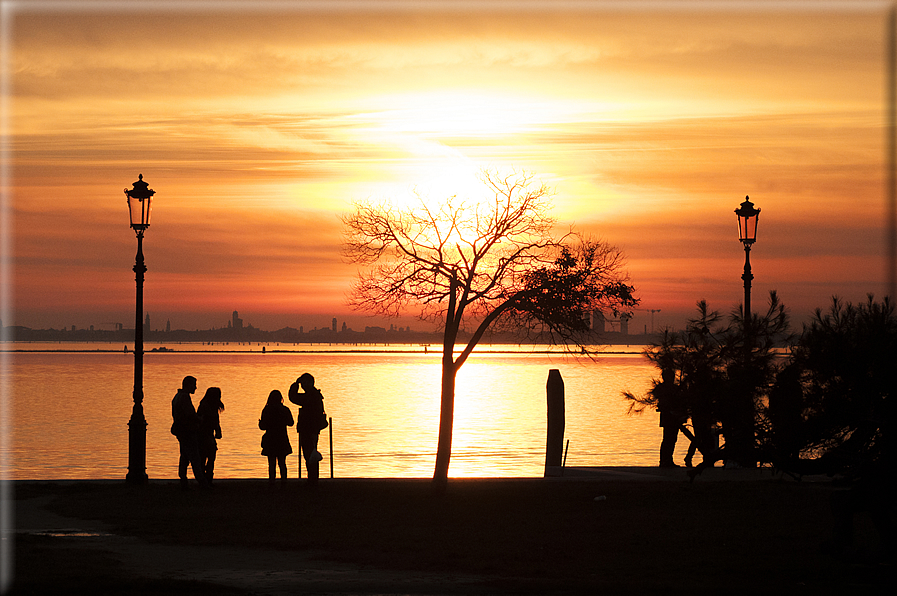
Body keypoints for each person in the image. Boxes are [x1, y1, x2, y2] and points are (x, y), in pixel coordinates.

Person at [288, 372, 327, 485]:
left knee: (310, 455)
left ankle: (312, 480)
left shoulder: (311, 396)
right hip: (311, 430)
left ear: (309, 383)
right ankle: (312, 479)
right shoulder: (314, 395)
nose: (303, 386)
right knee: (310, 455)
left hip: (309, 430)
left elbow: (293, 397)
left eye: (304, 383)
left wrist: (295, 384)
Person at [171, 375, 206, 489]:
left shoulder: (177, 397)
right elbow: (190, 414)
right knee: (195, 456)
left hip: (181, 431)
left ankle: (183, 480)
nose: (195, 388)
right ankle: (201, 482)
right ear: (188, 385)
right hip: (187, 431)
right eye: (194, 385)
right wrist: (199, 419)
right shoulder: (184, 397)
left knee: (184, 456)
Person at [259, 389, 294, 487]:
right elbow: (291, 423)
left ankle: (272, 482)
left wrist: (260, 422)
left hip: (270, 438)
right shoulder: (285, 409)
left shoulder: (266, 410)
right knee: (282, 462)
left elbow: (263, 426)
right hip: (282, 438)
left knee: (271, 463)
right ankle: (284, 481)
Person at [653, 367, 685, 468]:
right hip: (668, 416)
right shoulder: (663, 388)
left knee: (672, 439)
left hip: (673, 416)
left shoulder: (673, 388)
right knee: (668, 439)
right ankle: (664, 460)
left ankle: (668, 460)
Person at [197, 386, 225, 484]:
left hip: (207, 434)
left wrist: (217, 430)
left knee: (207, 456)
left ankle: (206, 477)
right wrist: (217, 430)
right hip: (205, 434)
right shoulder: (207, 406)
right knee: (208, 456)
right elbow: (212, 421)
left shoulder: (207, 405)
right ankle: (206, 478)